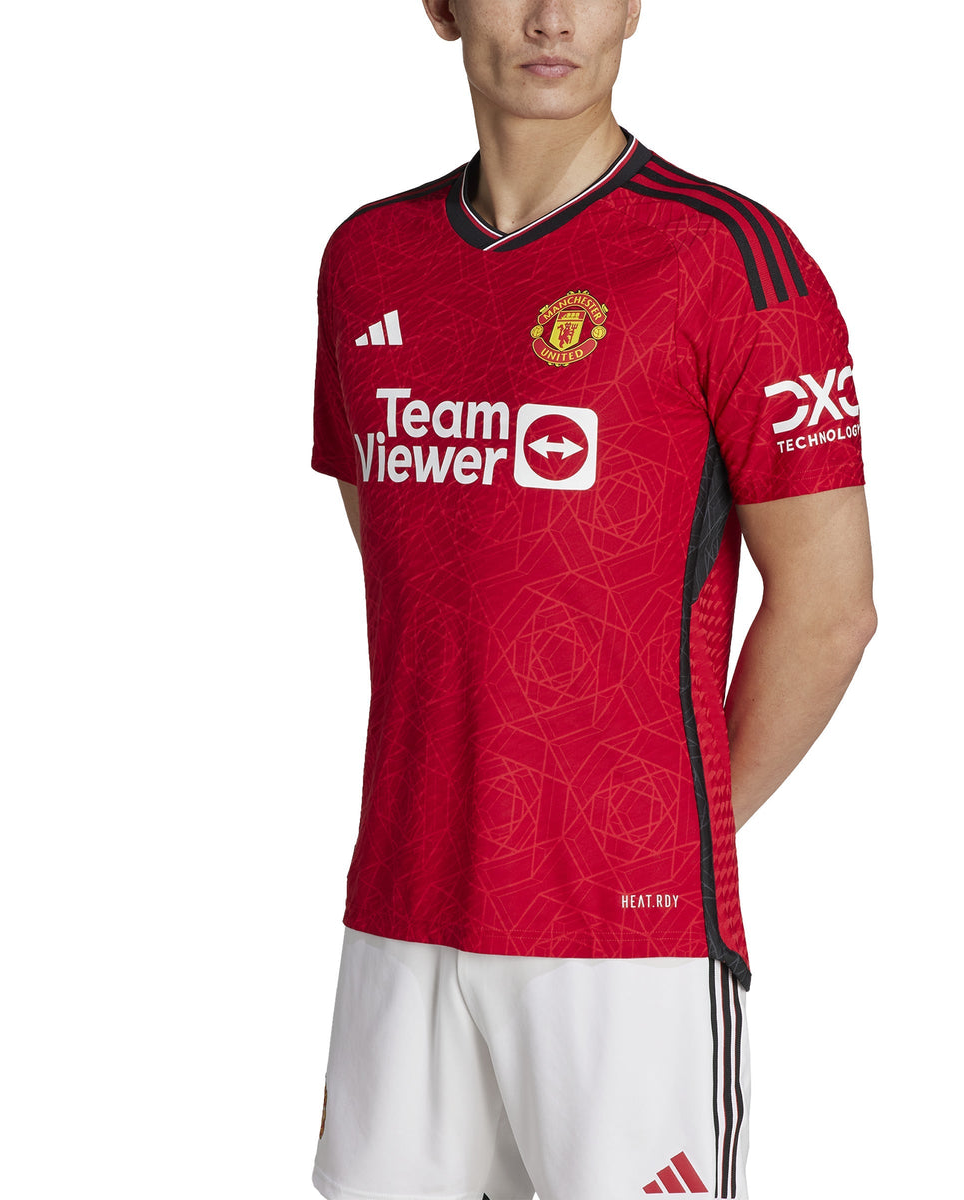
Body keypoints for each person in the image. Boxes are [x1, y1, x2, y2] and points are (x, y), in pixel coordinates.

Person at [308, 2, 876, 1197]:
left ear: (633, 7)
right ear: (442, 6)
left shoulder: (731, 260)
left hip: (622, 934)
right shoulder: (368, 258)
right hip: (403, 905)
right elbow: (411, 556)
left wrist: (671, 830)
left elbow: (830, 608)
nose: (551, 18)